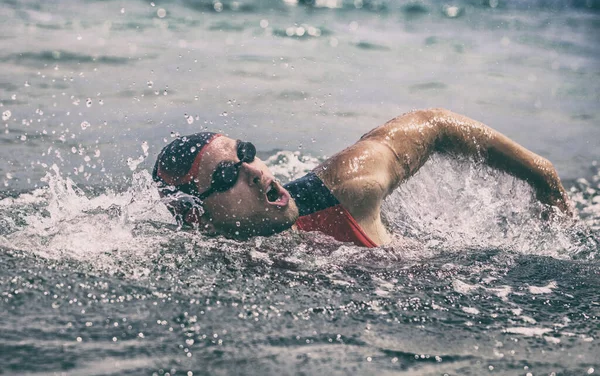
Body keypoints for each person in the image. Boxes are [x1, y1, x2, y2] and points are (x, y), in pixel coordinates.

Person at [152, 108, 572, 247]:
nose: (255, 171)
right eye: (227, 174)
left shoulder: (344, 190)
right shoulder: (195, 251)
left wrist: (545, 177)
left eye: (246, 154)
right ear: (197, 218)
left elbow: (433, 124)